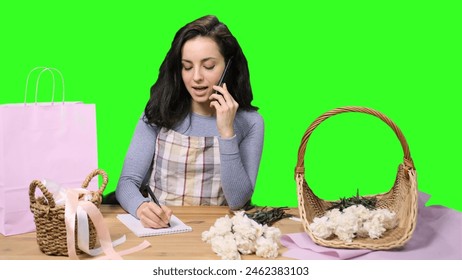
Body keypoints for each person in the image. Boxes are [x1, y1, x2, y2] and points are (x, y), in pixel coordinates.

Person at [115, 15, 264, 229]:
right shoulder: (159, 112)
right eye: (187, 67)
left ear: (228, 67)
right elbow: (127, 182)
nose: (196, 77)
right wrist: (141, 208)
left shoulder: (251, 122)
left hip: (218, 233)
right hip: (164, 231)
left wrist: (226, 132)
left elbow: (237, 201)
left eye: (209, 66)